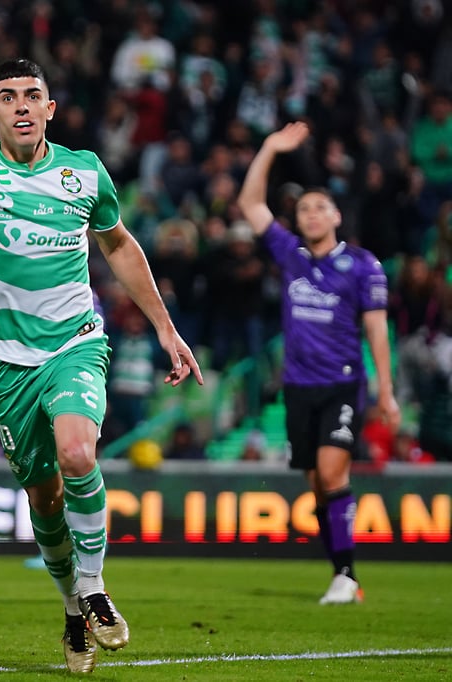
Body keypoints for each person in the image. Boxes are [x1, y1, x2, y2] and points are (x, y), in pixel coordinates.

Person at [0, 42, 203, 673]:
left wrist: (166, 329)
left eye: (32, 96)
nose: (21, 107)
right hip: (7, 363)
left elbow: (118, 247)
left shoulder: (84, 173)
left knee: (77, 453)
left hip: (74, 343)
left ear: (51, 108)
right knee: (44, 498)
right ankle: (71, 607)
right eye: (8, 98)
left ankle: (93, 586)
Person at [237, 121, 400, 605]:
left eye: (317, 207)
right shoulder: (293, 257)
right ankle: (343, 576)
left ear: (335, 216)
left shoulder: (363, 266)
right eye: (302, 209)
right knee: (318, 486)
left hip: (342, 385)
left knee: (332, 476)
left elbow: (376, 330)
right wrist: (268, 147)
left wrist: (386, 391)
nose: (308, 215)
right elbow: (250, 204)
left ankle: (346, 575)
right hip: (298, 387)